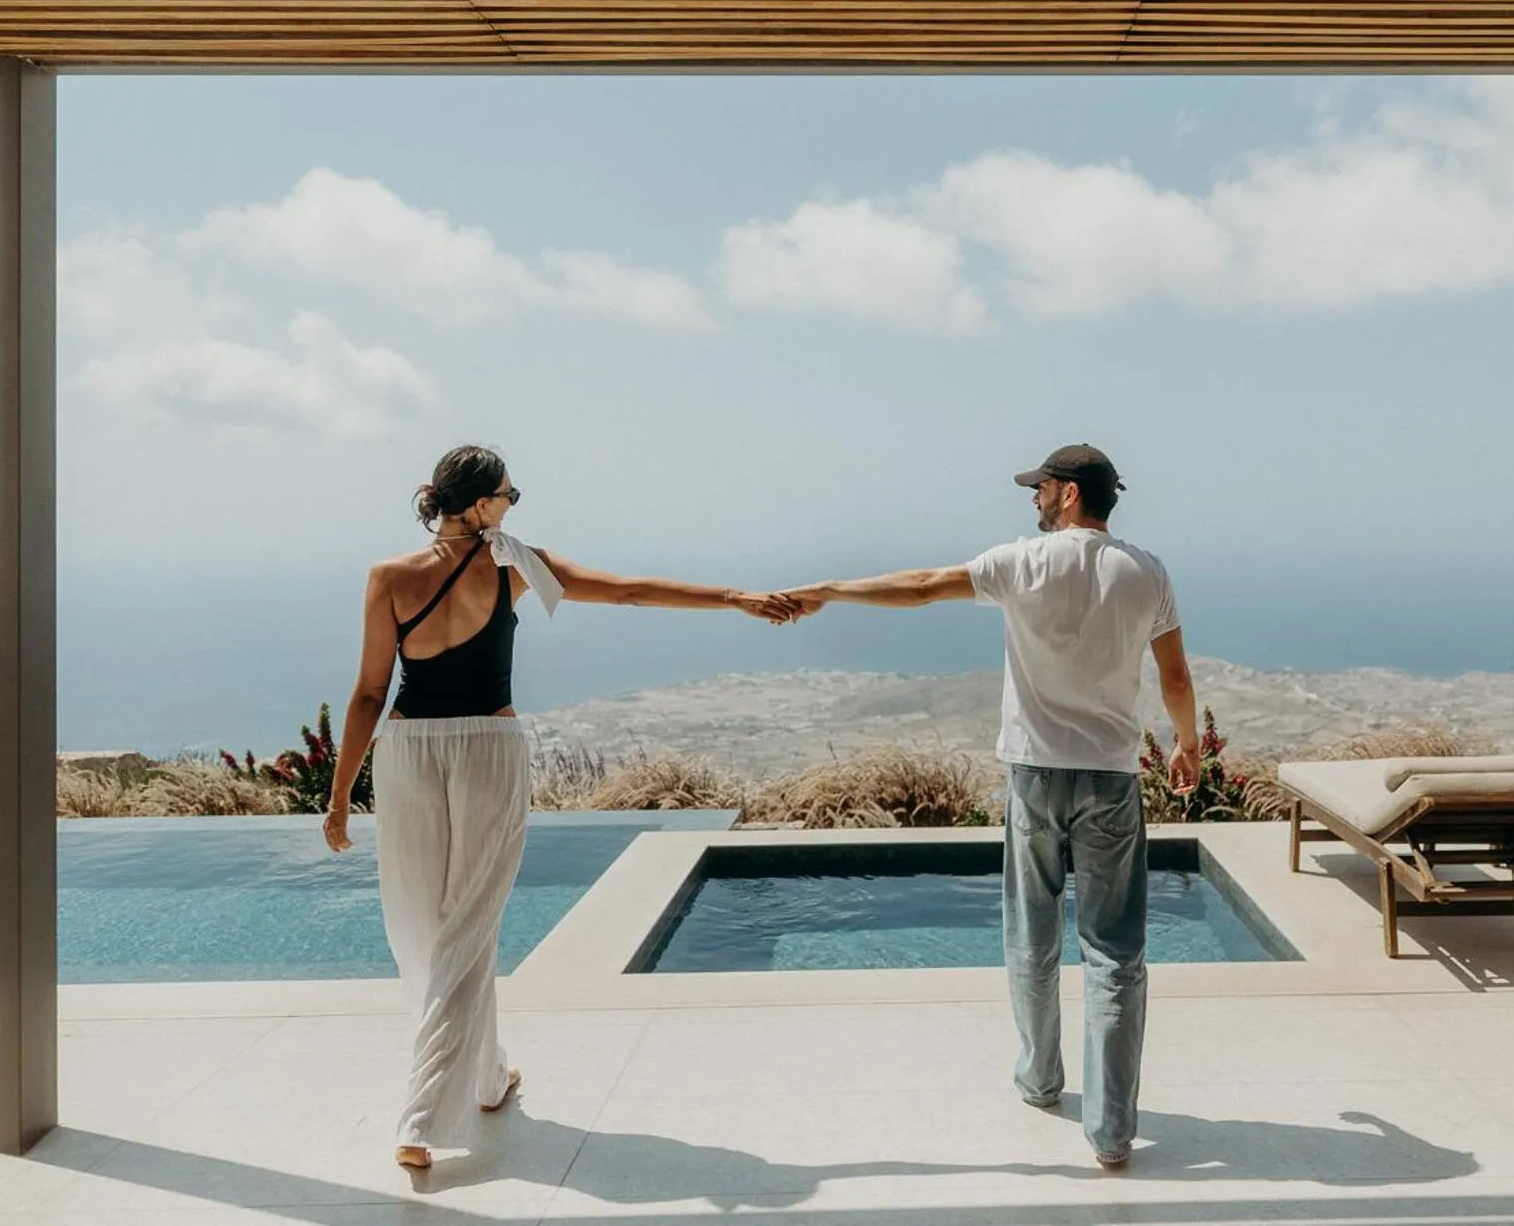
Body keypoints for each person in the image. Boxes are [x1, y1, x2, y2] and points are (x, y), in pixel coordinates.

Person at [322, 444, 799, 1170]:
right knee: (463, 924)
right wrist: (735, 596)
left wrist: (338, 798)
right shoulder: (512, 562)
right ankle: (419, 1116)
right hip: (486, 747)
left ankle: (484, 1076)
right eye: (511, 493)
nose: (514, 505)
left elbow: (366, 693)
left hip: (408, 752)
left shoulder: (389, 575)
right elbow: (630, 591)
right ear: (480, 502)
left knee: (425, 926)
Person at [784, 444, 1198, 1168]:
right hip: (1109, 780)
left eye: (1038, 489)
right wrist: (1185, 743)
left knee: (1031, 933)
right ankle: (1110, 1131)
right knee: (1115, 953)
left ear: (1066, 492)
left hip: (1035, 778)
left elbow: (920, 586)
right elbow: (1175, 676)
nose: (1031, 500)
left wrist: (830, 588)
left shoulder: (1021, 563)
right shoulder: (1148, 570)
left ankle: (1040, 1079)